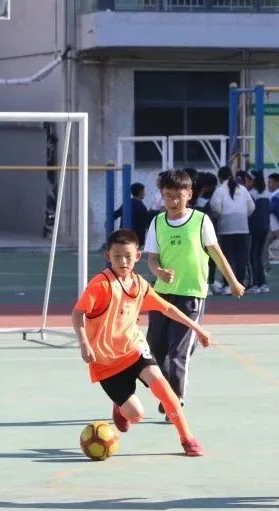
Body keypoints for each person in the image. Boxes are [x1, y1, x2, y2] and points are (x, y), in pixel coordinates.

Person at [73, 229, 210, 457]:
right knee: (136, 415)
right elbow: (77, 314)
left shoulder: (140, 285)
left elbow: (167, 308)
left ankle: (187, 439)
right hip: (106, 362)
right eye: (117, 256)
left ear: (138, 256)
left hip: (134, 351)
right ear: (108, 256)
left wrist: (198, 328)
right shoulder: (101, 285)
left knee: (165, 390)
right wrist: (84, 343)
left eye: (128, 256)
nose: (123, 261)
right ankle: (120, 408)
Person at [144, 169, 244, 419]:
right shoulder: (157, 223)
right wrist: (159, 272)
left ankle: (175, 402)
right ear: (162, 196)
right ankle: (167, 391)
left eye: (178, 196)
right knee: (155, 349)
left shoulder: (200, 221)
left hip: (190, 295)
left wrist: (232, 281)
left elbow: (216, 253)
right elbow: (152, 259)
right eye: (168, 196)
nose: (173, 201)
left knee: (177, 353)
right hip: (161, 296)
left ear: (189, 194)